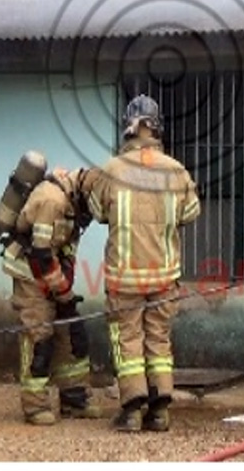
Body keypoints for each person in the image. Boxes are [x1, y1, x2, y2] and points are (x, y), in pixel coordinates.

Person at [86, 94, 201, 433]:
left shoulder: (112, 169)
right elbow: (192, 212)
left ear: (129, 127)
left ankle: (133, 410)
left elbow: (95, 210)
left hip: (124, 276)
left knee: (128, 339)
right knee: (158, 340)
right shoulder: (175, 170)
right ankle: (161, 410)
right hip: (165, 276)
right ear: (156, 127)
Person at [0, 166, 103, 425]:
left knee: (71, 332)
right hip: (29, 272)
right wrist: (63, 292)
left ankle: (74, 399)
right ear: (84, 193)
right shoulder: (51, 200)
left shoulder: (74, 205)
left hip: (50, 271)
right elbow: (41, 256)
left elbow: (66, 249)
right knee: (40, 335)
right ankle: (35, 406)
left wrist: (65, 288)